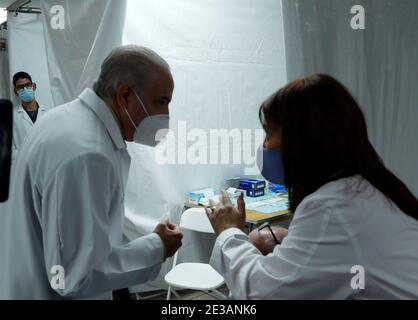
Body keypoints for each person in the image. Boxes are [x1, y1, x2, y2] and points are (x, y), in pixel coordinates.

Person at [206, 74, 418, 299]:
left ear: (301, 139)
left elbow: (263, 293)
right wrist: (293, 243)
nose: (264, 145)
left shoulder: (331, 206)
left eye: (269, 133)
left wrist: (229, 231)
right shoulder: (369, 188)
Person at [0, 45, 183, 299]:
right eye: (161, 101)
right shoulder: (88, 153)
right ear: (125, 96)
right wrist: (158, 246)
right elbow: (76, 274)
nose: (166, 115)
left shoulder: (65, 119)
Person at [11, 72, 48, 161]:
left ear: (34, 86)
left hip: (47, 163)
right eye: (20, 87)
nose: (25, 89)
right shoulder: (11, 117)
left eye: (27, 85)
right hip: (24, 167)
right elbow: (10, 151)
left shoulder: (48, 113)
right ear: (16, 92)